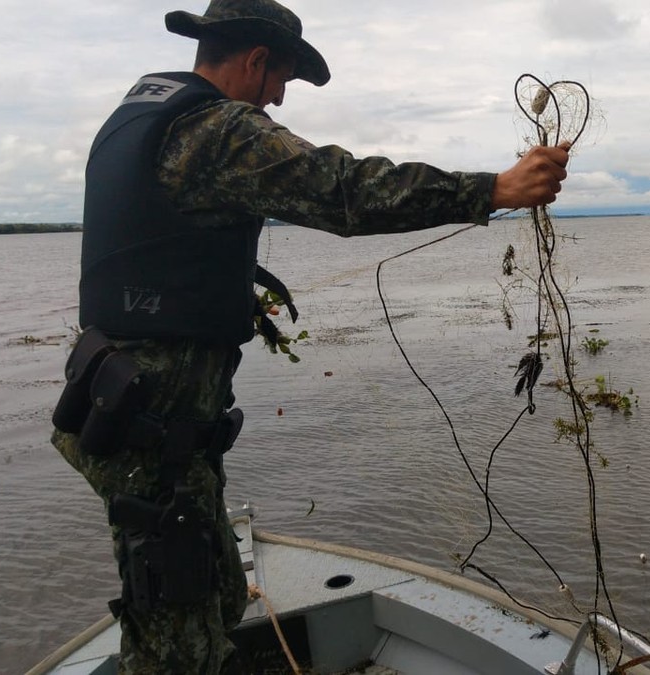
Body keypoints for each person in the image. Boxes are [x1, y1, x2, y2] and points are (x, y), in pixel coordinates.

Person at [49, 0, 571, 672]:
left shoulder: (141, 118)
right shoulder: (218, 131)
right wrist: (493, 189)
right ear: (258, 60)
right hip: (151, 437)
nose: (276, 99)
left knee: (219, 592)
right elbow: (343, 189)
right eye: (281, 82)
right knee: (173, 639)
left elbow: (164, 250)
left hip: (130, 411)